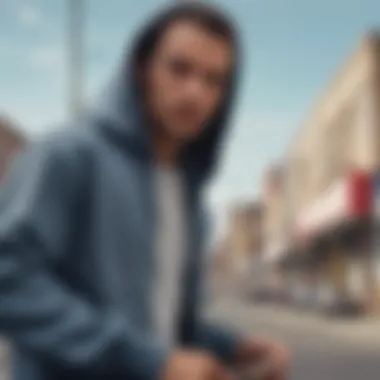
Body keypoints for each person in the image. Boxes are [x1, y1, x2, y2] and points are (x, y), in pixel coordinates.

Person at [0, 3, 289, 380]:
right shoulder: (67, 156)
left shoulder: (191, 202)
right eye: (179, 69)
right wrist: (149, 361)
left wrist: (233, 347)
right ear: (141, 69)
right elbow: (9, 280)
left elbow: (166, 328)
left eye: (214, 80)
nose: (194, 93)